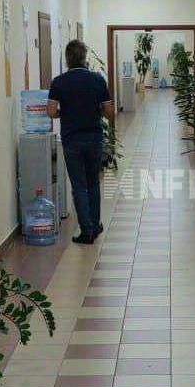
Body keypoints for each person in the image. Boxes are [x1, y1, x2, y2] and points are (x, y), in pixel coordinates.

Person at [47, 40, 114, 244]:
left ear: (67, 59)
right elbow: (109, 112)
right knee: (93, 182)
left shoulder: (59, 82)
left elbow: (51, 111)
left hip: (71, 140)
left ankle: (86, 231)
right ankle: (96, 224)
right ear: (85, 58)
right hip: (94, 138)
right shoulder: (97, 80)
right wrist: (96, 110)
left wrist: (65, 113)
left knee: (78, 185)